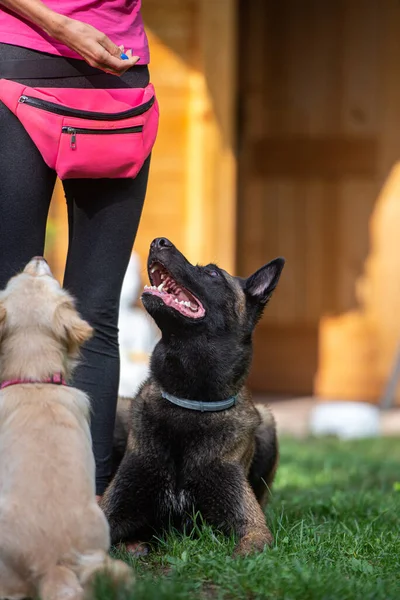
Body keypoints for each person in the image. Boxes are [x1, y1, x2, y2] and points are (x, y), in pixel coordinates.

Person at [0, 0, 154, 499]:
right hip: (28, 64)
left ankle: (88, 504)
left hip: (116, 77)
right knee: (10, 304)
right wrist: (62, 24)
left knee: (96, 312)